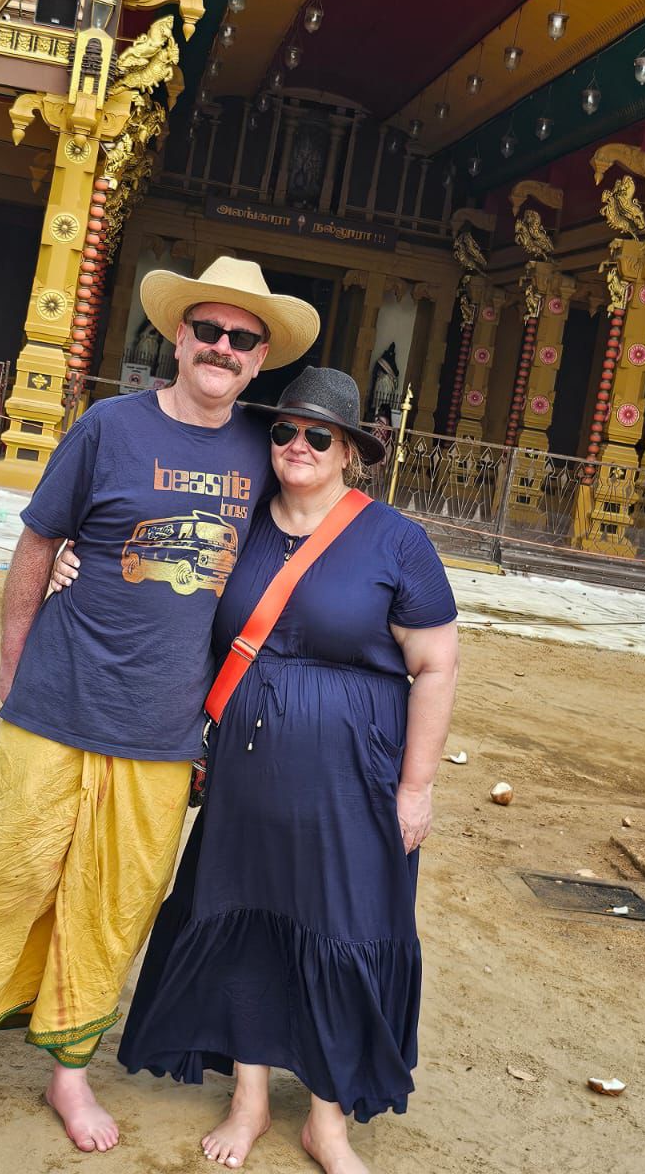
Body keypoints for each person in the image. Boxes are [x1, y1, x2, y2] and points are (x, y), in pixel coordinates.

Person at [0, 257, 319, 1169]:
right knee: (1, 882)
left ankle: (69, 1069)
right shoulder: (108, 428)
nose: (223, 348)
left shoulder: (265, 451)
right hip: (59, 700)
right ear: (178, 337)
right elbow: (38, 542)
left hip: (165, 728)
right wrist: (12, 666)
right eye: (209, 330)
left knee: (113, 904)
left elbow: (313, 535)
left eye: (242, 339)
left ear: (260, 358)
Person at [118, 366, 459, 1174]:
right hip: (249, 777)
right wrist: (71, 560)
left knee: (347, 931)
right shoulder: (238, 524)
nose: (297, 446)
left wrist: (416, 787)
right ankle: (250, 1099)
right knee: (249, 924)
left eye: (318, 435)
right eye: (283, 431)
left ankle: (327, 1122)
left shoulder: (395, 541)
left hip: (356, 781)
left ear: (349, 452)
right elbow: (155, 578)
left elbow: (436, 666)